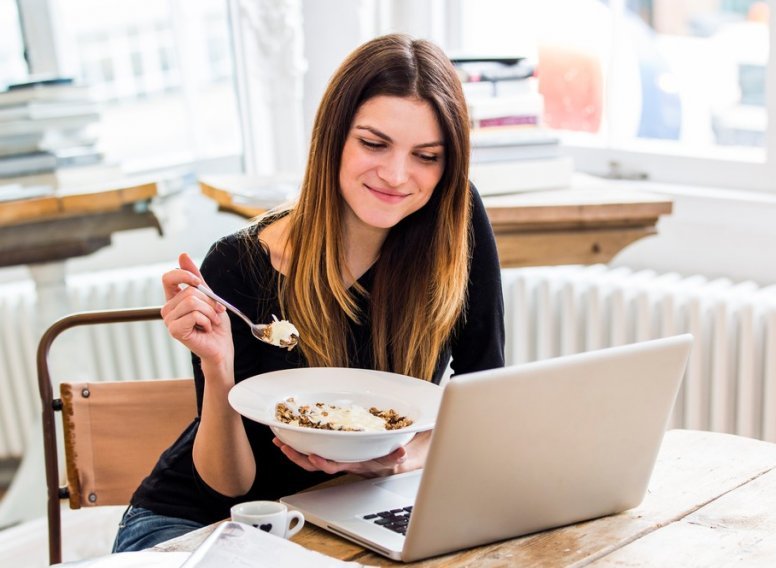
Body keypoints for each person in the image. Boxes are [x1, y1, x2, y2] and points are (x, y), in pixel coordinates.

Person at [113, 33, 505, 552]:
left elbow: (486, 400)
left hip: (353, 512)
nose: (396, 175)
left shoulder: (455, 226)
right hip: (203, 524)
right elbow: (228, 485)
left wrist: (399, 458)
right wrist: (217, 368)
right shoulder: (238, 265)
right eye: (373, 143)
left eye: (426, 156)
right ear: (332, 138)